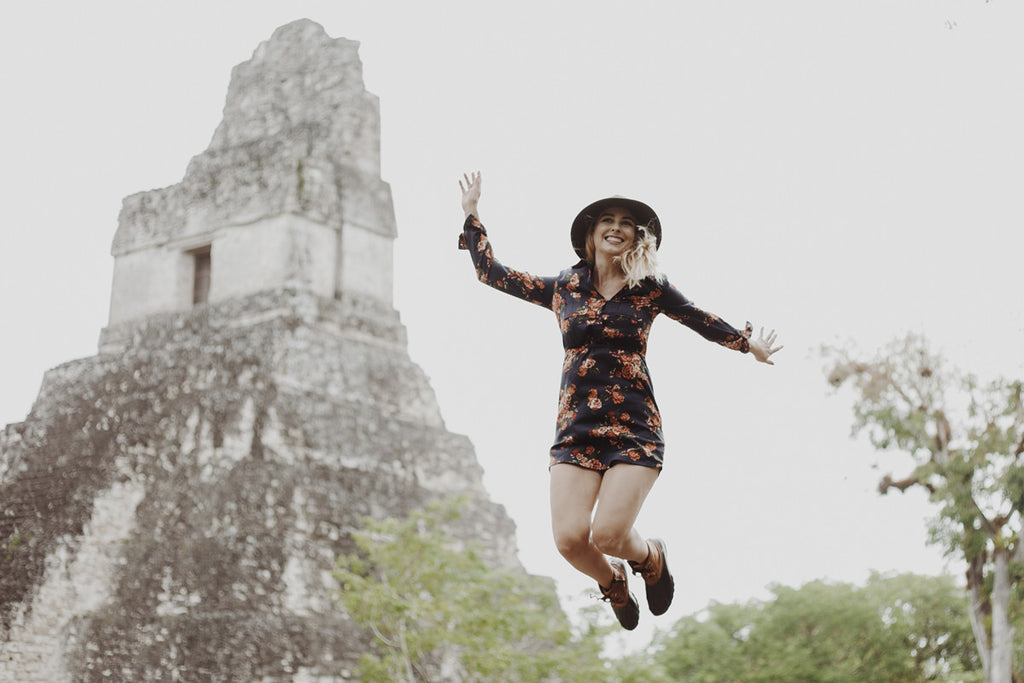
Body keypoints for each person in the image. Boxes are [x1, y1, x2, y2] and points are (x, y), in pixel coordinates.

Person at [457, 171, 781, 630]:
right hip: (576, 429)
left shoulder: (650, 287)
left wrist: (746, 344)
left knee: (608, 533)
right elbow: (491, 273)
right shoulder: (563, 288)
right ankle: (613, 584)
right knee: (571, 540)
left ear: (636, 236)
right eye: (606, 220)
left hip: (633, 427)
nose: (616, 226)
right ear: (589, 235)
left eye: (626, 222)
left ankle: (650, 558)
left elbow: (697, 317)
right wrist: (472, 215)